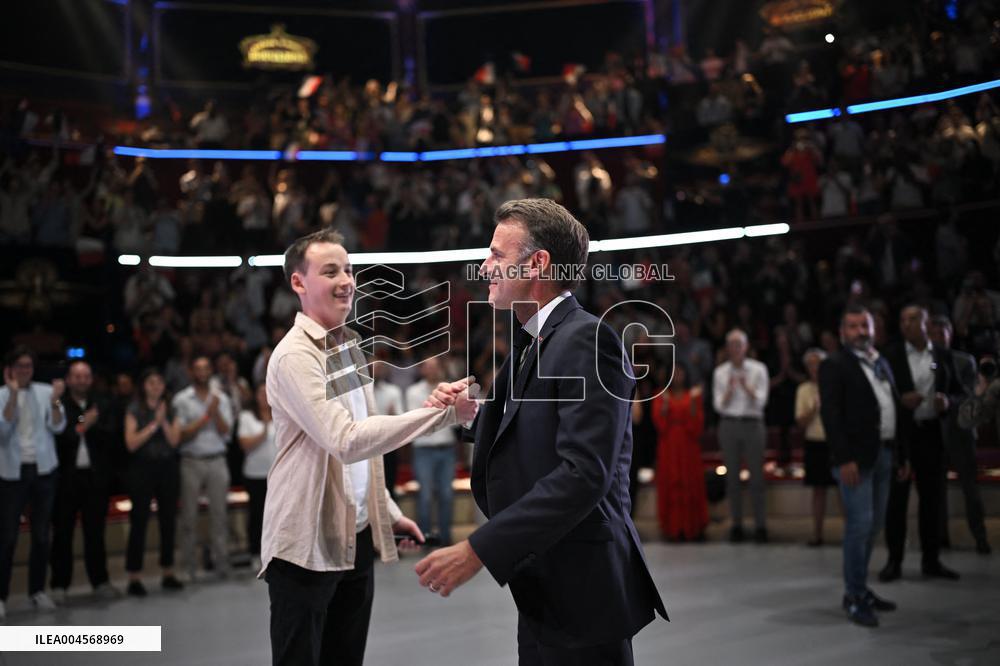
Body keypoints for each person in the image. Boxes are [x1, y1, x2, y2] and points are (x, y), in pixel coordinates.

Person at [416, 198, 666, 666]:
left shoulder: (588, 339)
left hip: (583, 591)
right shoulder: (536, 340)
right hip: (547, 585)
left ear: (537, 263)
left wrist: (478, 550)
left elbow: (582, 473)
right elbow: (535, 429)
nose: (484, 265)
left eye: (496, 255)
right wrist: (472, 415)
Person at [261, 228, 477, 666]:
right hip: (305, 542)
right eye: (330, 271)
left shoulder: (351, 348)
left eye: (348, 269)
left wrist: (389, 512)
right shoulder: (294, 357)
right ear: (298, 284)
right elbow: (346, 440)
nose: (346, 280)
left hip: (355, 538)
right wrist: (442, 414)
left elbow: (368, 448)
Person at [819, 304, 899, 627]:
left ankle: (862, 589)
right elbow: (831, 416)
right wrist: (844, 458)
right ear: (842, 332)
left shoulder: (880, 361)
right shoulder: (834, 365)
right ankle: (854, 596)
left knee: (874, 526)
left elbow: (890, 405)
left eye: (864, 325)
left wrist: (901, 456)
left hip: (885, 454)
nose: (860, 332)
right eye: (852, 326)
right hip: (855, 460)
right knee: (859, 527)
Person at [881, 306, 962, 582]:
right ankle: (894, 561)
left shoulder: (941, 356)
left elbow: (959, 393)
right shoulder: (890, 355)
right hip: (903, 435)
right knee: (897, 501)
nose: (907, 324)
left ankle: (932, 560)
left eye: (913, 319)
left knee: (932, 500)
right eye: (902, 320)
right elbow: (880, 394)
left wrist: (948, 402)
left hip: (932, 434)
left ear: (926, 323)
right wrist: (900, 401)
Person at [0, 346, 65, 621]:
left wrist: (54, 403)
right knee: (7, 537)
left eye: (28, 365)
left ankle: (37, 590)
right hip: (12, 474)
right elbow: (2, 431)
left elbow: (59, 427)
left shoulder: (45, 391)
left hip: (43, 470)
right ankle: (1, 596)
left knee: (41, 535)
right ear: (10, 369)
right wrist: (13, 396)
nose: (24, 370)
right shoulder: (1, 395)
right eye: (19, 366)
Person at [50, 361, 118, 602]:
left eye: (86, 376)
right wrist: (82, 426)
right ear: (68, 379)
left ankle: (100, 581)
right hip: (66, 478)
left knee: (95, 532)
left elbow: (111, 437)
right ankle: (59, 584)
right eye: (77, 376)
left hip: (95, 477)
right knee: (63, 533)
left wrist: (92, 425)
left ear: (91, 379)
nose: (81, 380)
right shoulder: (59, 403)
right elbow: (60, 437)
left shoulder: (103, 403)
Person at [931, 316, 991, 555]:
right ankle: (941, 538)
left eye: (942, 333)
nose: (939, 337)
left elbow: (968, 394)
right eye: (934, 334)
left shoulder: (964, 361)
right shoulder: (926, 362)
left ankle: (980, 537)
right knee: (937, 490)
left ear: (950, 334)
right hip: (935, 434)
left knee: (971, 490)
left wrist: (948, 402)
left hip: (961, 432)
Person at [172, 355, 234, 581]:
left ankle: (221, 564)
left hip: (217, 459)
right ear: (191, 372)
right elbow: (182, 435)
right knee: (189, 517)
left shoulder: (221, 398)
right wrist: (207, 414)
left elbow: (226, 431)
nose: (202, 372)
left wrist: (215, 411)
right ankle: (189, 568)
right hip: (192, 461)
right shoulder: (182, 399)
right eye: (198, 368)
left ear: (211, 371)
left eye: (206, 368)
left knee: (220, 515)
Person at [124, 368, 184, 596]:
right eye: (151, 382)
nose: (156, 386)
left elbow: (175, 440)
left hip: (167, 468)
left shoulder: (171, 408)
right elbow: (131, 443)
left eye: (159, 382)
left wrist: (163, 421)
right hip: (142, 468)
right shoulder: (134, 408)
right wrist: (153, 425)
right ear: (143, 386)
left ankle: (168, 572)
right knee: (139, 520)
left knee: (168, 520)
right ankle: (134, 576)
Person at [712, 329, 770, 543]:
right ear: (727, 348)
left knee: (757, 478)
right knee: (732, 479)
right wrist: (729, 390)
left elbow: (762, 401)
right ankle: (736, 525)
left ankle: (760, 526)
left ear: (746, 347)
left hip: (753, 424)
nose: (735, 348)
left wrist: (747, 388)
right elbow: (718, 405)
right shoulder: (720, 372)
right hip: (729, 424)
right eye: (732, 344)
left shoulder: (758, 369)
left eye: (739, 344)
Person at [651, 362, 708, 541]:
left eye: (681, 373)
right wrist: (666, 405)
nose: (677, 377)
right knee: (671, 482)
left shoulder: (693, 395)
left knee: (690, 482)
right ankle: (672, 528)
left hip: (688, 445)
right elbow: (658, 423)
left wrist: (692, 403)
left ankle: (692, 527)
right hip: (669, 446)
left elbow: (697, 425)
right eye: (674, 373)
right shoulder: (661, 395)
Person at [405, 356, 458, 545]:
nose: (432, 370)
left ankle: (445, 538)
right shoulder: (413, 391)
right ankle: (425, 537)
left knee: (446, 494)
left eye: (436, 366)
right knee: (425, 495)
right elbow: (419, 419)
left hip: (446, 448)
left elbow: (455, 417)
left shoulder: (449, 388)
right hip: (424, 449)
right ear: (422, 370)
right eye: (428, 366)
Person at [795, 348, 835, 547]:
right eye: (810, 364)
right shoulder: (803, 390)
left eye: (818, 363)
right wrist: (814, 408)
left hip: (835, 442)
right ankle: (817, 534)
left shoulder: (835, 386)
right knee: (818, 491)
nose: (814, 368)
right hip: (814, 443)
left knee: (846, 490)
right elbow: (801, 422)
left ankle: (853, 535)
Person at [237, 383, 276, 572]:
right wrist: (264, 431)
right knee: (258, 515)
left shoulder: (282, 412)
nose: (264, 395)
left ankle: (277, 554)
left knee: (277, 516)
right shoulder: (247, 416)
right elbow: (244, 443)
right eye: (261, 392)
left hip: (278, 476)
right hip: (255, 474)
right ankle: (255, 553)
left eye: (268, 391)